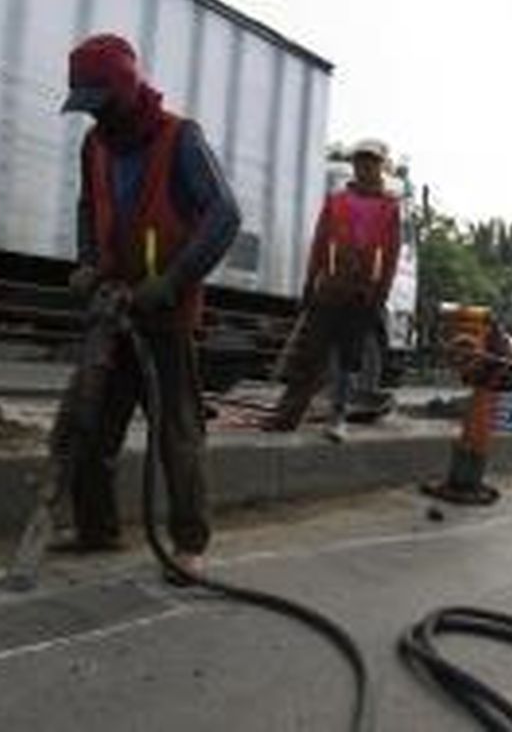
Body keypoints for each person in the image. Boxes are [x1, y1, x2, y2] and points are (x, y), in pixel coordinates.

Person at [49, 34, 241, 580]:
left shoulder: (180, 138)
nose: (94, 118)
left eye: (99, 104)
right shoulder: (95, 146)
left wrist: (173, 280)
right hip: (113, 308)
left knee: (177, 434)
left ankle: (189, 545)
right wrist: (88, 260)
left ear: (125, 92)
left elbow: (224, 216)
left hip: (164, 314)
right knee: (87, 426)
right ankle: (96, 530)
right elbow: (89, 207)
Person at [264, 139, 401, 442]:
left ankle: (338, 418)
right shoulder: (336, 201)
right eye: (360, 161)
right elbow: (319, 243)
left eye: (371, 161)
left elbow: (391, 256)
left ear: (381, 167)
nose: (365, 167)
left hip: (363, 294)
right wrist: (309, 282)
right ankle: (287, 416)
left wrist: (381, 295)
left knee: (348, 359)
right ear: (354, 165)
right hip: (330, 289)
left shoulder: (390, 208)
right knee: (309, 355)